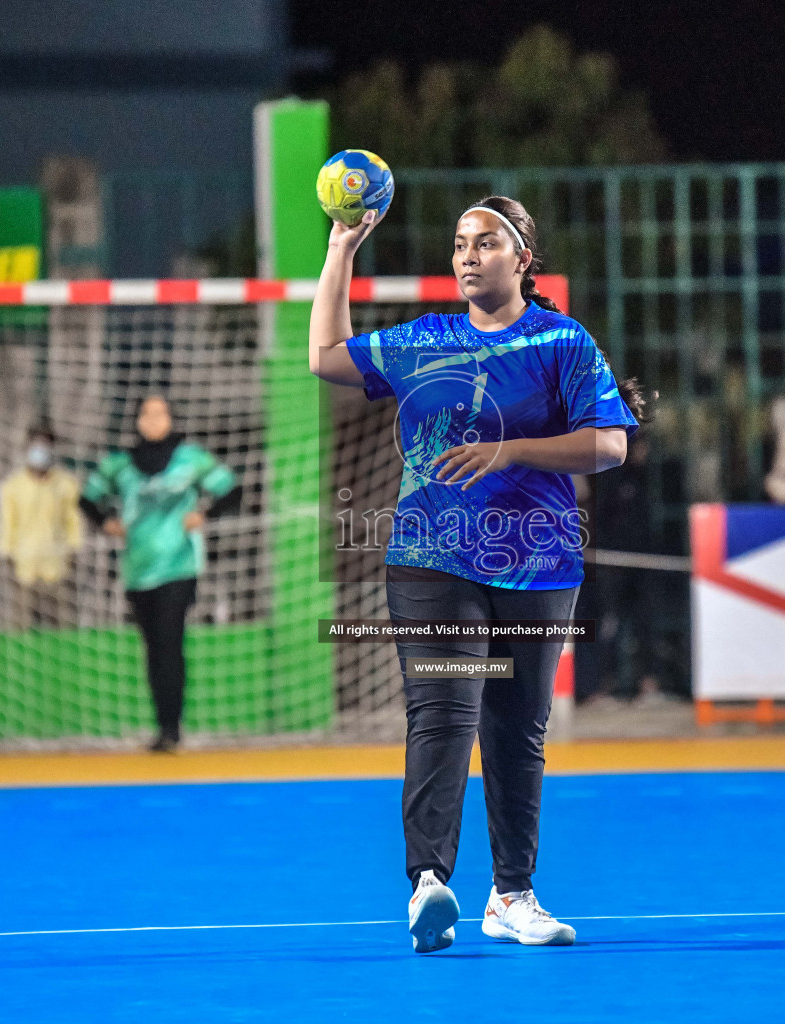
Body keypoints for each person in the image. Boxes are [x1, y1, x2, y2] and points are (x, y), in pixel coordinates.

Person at [309, 196, 643, 953]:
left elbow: (611, 446)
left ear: (524, 258)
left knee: (518, 729)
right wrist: (342, 248)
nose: (467, 255)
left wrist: (512, 451)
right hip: (431, 559)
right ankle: (429, 884)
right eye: (459, 243)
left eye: (485, 242)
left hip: (540, 560)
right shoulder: (427, 339)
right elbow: (326, 356)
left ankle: (511, 896)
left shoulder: (562, 340)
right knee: (444, 713)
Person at [80, 396, 240, 753]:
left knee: (170, 643)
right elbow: (87, 498)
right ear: (137, 420)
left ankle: (172, 728)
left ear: (171, 418)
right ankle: (163, 727)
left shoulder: (190, 458)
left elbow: (232, 489)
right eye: (146, 414)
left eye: (161, 413)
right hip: (137, 570)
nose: (154, 420)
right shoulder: (119, 464)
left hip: (180, 566)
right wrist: (107, 521)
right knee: (153, 648)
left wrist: (205, 514)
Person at [0, 426, 84, 629]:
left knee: (64, 625)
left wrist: (74, 549)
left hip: (57, 565)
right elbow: (8, 523)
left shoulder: (65, 484)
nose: (41, 451)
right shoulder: (13, 486)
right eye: (36, 446)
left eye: (45, 446)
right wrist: (7, 552)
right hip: (25, 566)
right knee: (23, 626)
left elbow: (73, 520)